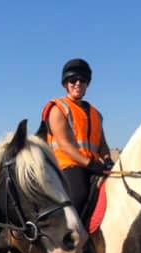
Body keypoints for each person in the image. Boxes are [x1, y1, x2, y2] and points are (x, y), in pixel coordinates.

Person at [41, 58, 113, 215]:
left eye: (82, 80)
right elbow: (65, 144)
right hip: (68, 165)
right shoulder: (58, 108)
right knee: (79, 195)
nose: (78, 83)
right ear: (66, 84)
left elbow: (102, 144)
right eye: (73, 80)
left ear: (87, 84)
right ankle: (68, 237)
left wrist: (107, 160)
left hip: (93, 165)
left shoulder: (96, 113)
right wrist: (89, 163)